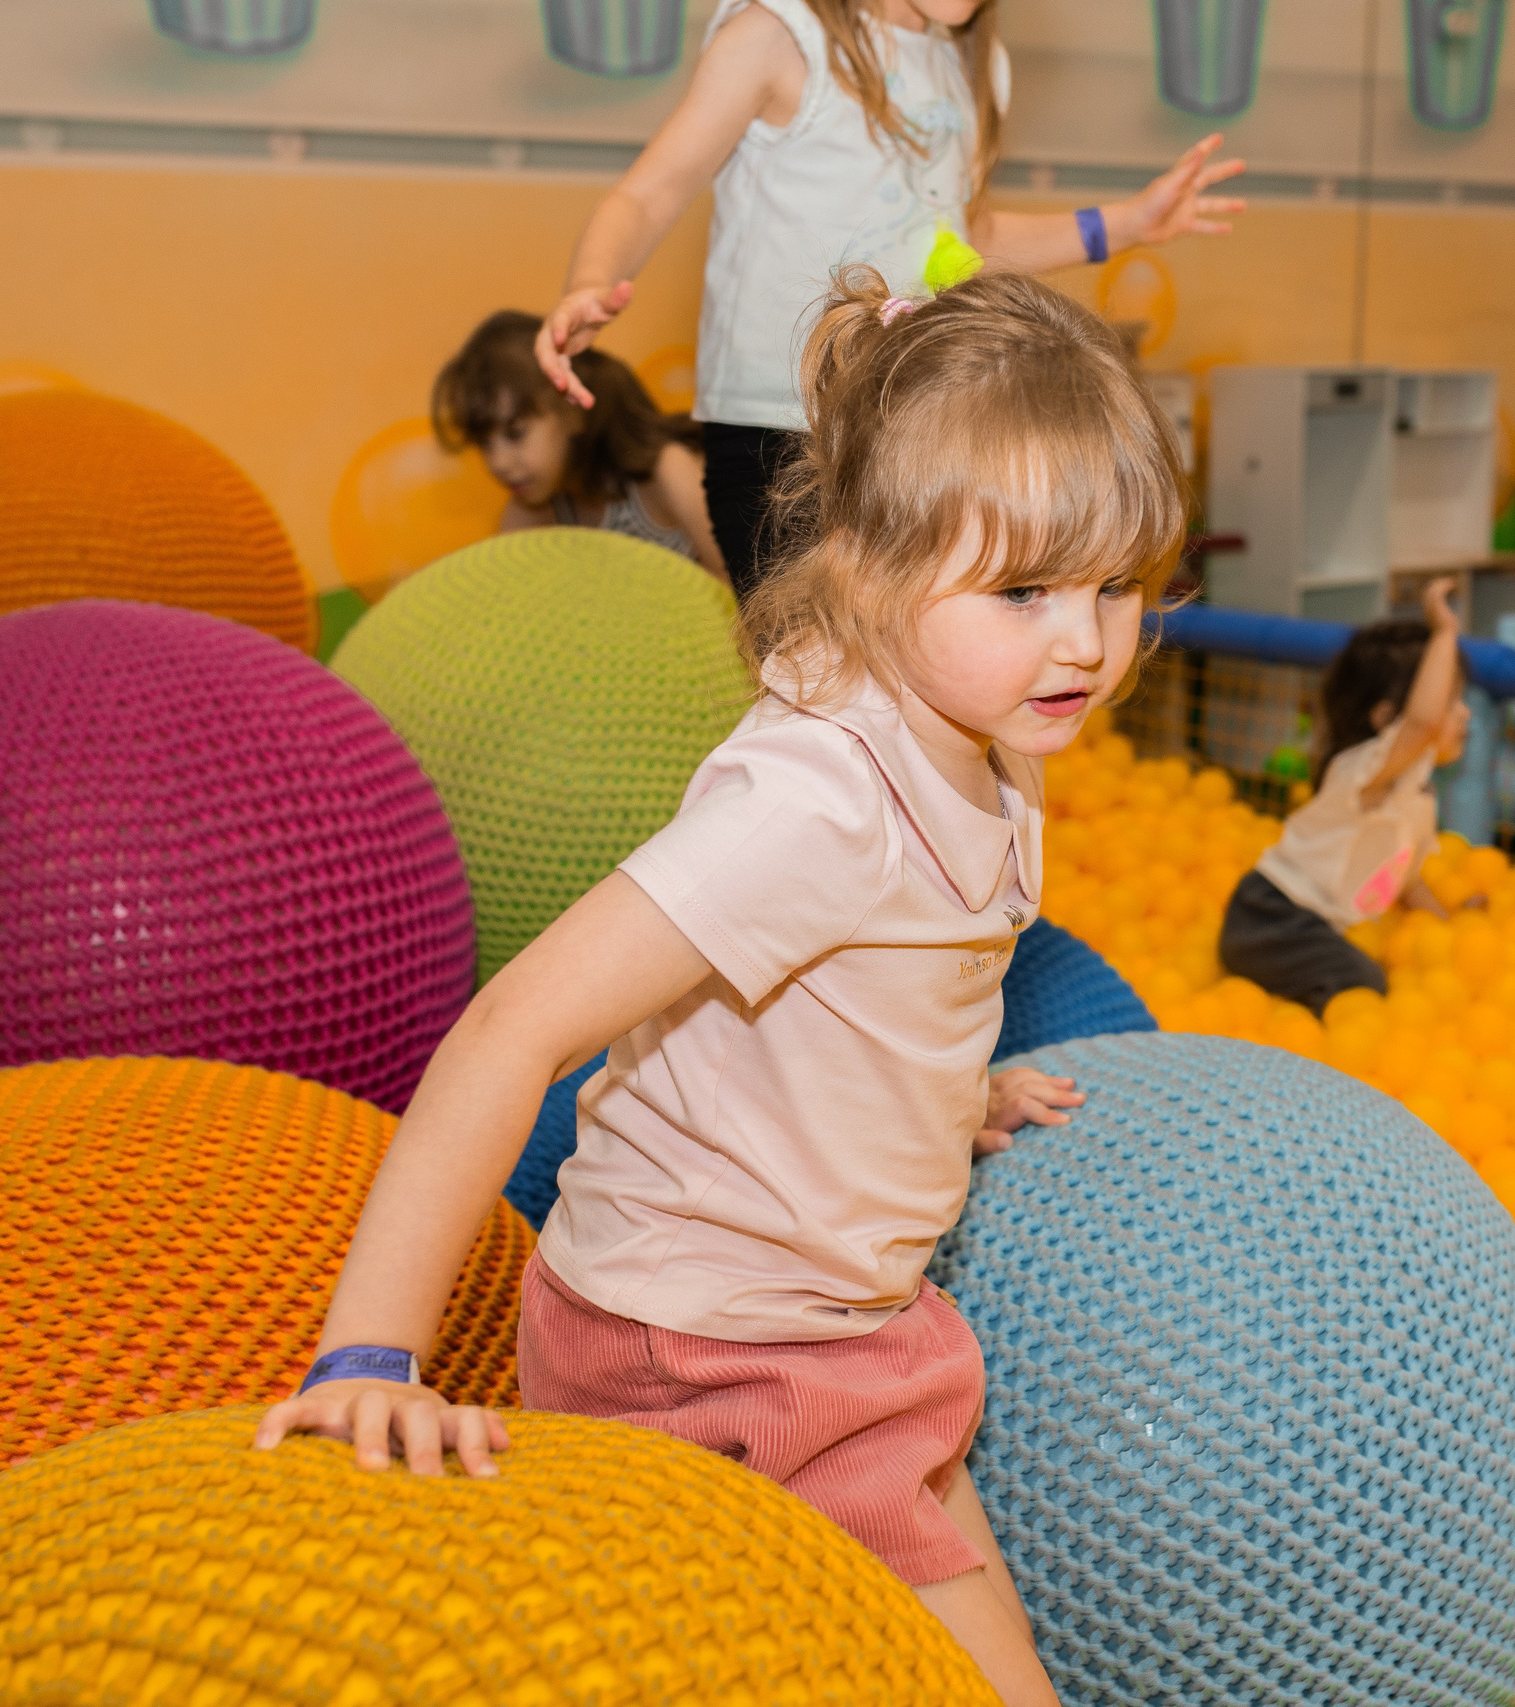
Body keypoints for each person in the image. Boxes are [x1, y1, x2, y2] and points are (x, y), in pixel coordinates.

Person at [256, 270, 1187, 1705]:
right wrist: (365, 1350)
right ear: (875, 572)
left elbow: (869, 981)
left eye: (1113, 586)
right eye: (1024, 590)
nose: (1083, 640)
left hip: (841, 1312)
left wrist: (937, 1093)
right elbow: (515, 1023)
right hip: (699, 1344)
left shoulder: (994, 737)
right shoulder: (814, 801)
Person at [529, 0, 1245, 602]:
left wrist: (1124, 225)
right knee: (809, 672)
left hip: (912, 424)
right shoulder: (781, 34)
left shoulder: (972, 63)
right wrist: (591, 281)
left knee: (915, 673)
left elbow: (968, 236)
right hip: (780, 428)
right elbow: (650, 191)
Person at [1217, 580, 1470, 1017]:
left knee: (1370, 970)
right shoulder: (1359, 776)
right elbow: (1423, 723)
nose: (1464, 714)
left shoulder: (1418, 797)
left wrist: (1447, 926)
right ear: (1387, 719)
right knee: (1366, 986)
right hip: (1271, 919)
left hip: (1318, 929)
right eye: (1452, 701)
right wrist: (1445, 633)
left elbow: (1404, 879)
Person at [434, 310, 726, 581]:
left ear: (572, 411)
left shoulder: (666, 473)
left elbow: (742, 595)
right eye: (484, 443)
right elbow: (500, 604)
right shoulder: (534, 510)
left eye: (515, 433)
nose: (498, 463)